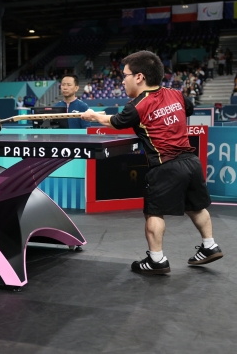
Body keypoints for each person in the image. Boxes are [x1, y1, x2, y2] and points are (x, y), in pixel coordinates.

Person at [81, 50, 223, 274]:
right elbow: (189, 108)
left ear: (139, 77)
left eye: (125, 75)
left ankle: (156, 260)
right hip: (191, 162)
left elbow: (116, 122)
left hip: (165, 166)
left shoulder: (137, 106)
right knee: (196, 206)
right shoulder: (176, 94)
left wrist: (93, 115)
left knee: (154, 213)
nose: (123, 80)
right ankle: (209, 245)